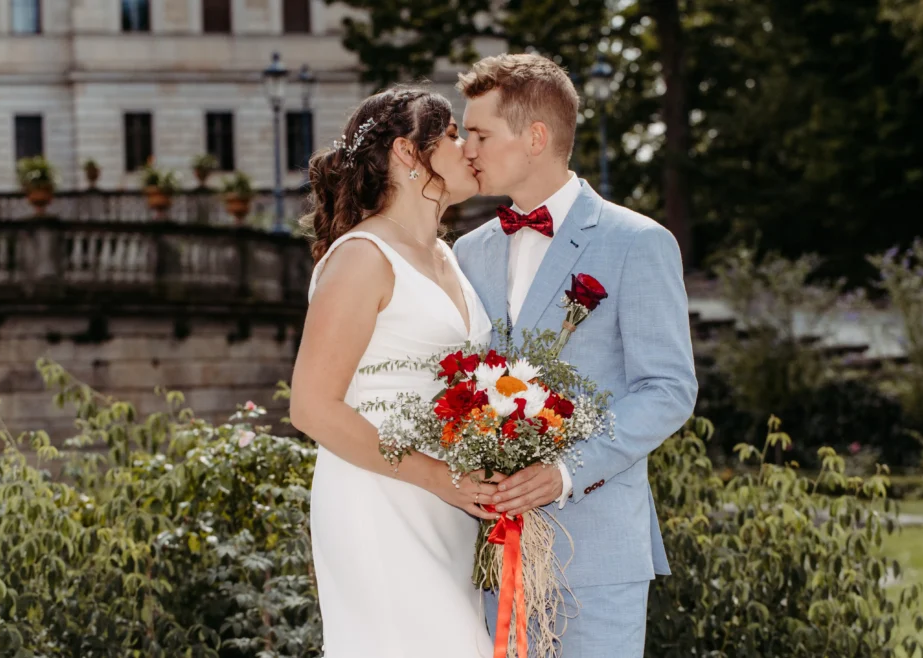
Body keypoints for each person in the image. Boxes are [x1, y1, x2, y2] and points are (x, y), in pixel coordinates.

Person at [454, 53, 699, 657]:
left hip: (597, 552)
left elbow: (668, 388)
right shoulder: (467, 251)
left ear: (535, 137)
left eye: (480, 133)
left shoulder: (637, 243)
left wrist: (564, 472)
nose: (465, 148)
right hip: (485, 554)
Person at [289, 86, 498, 658]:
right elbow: (310, 406)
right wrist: (438, 477)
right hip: (379, 502)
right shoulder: (362, 256)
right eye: (453, 135)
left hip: (443, 509)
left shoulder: (444, 255)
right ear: (409, 153)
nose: (468, 147)